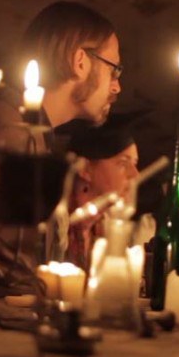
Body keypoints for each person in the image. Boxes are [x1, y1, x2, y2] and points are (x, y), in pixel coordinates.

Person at [0, 0, 122, 154]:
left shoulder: (23, 129)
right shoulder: (15, 139)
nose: (117, 87)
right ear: (80, 63)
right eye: (114, 70)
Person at [58, 113, 140, 271]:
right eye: (123, 163)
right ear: (85, 169)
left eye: (135, 163)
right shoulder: (55, 224)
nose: (135, 175)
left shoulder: (106, 228)